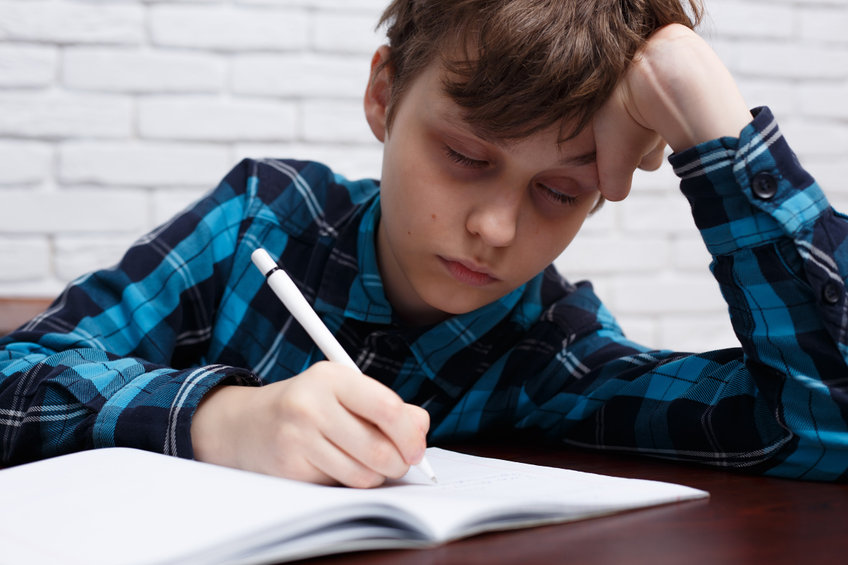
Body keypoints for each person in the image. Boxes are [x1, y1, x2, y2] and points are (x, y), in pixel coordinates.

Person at [1, 0, 846, 486]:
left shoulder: (553, 354)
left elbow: (824, 424)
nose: (495, 228)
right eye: (465, 157)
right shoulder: (262, 220)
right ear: (383, 96)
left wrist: (711, 121)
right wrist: (221, 420)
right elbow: (14, 380)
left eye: (559, 190)